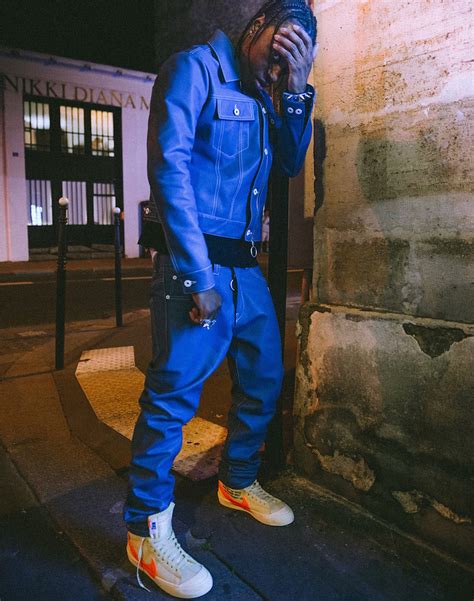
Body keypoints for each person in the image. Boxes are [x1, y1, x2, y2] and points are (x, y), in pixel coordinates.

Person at [125, 1, 317, 597]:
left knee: (263, 377)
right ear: (255, 29)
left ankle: (237, 481)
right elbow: (170, 170)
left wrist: (296, 90)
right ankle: (144, 531)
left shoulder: (269, 94)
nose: (277, 69)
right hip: (197, 263)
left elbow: (290, 162)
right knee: (172, 396)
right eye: (276, 54)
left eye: (292, 62)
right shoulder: (193, 69)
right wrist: (195, 276)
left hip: (245, 265)